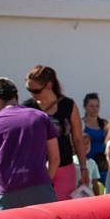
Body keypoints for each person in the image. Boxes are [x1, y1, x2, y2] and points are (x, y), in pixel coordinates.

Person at [0, 78, 59, 210]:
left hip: (8, 192)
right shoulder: (41, 117)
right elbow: (55, 158)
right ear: (16, 96)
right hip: (41, 187)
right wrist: (44, 181)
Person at [23, 65, 89, 200]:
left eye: (35, 90)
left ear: (49, 85)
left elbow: (77, 139)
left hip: (65, 167)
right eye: (29, 89)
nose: (32, 94)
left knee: (64, 211)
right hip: (38, 170)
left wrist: (83, 167)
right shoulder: (27, 107)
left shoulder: (68, 105)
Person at [82, 93, 108, 184]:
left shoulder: (104, 124)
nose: (95, 109)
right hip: (89, 163)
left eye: (97, 106)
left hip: (103, 165)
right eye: (91, 106)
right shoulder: (81, 124)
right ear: (85, 107)